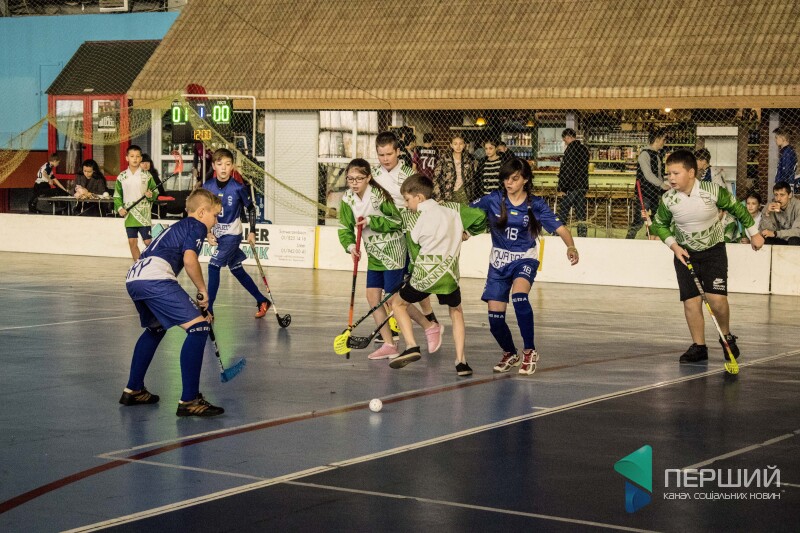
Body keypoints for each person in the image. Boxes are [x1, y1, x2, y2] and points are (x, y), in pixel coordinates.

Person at [650, 150, 764, 364]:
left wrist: (754, 233)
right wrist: (674, 246)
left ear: (691, 172)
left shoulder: (712, 191)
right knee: (691, 302)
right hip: (685, 253)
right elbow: (660, 225)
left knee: (717, 300)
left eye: (675, 173)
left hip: (713, 251)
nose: (671, 178)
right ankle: (699, 346)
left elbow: (737, 209)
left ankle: (726, 336)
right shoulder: (668, 199)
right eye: (668, 174)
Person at [120, 188, 225, 417]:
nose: (215, 222)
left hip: (135, 277)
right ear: (201, 212)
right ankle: (189, 400)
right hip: (155, 278)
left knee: (155, 328)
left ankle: (134, 389)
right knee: (199, 328)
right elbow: (189, 259)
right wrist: (203, 291)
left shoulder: (179, 226)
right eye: (215, 215)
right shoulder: (196, 226)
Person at [471, 158, 578, 375]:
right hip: (498, 262)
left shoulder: (535, 205)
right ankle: (510, 353)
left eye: (514, 178)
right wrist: (464, 230)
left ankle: (530, 350)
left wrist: (571, 246)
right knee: (495, 320)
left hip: (524, 258)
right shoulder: (493, 199)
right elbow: (467, 213)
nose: (509, 183)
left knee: (519, 297)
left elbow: (560, 228)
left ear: (525, 180)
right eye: (506, 179)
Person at [390, 174, 487, 375]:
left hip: (424, 276)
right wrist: (467, 233)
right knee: (456, 311)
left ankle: (411, 345)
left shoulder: (414, 219)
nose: (407, 205)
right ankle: (461, 362)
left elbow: (415, 251)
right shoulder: (453, 209)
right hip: (449, 277)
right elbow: (480, 216)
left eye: (407, 200)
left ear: (419, 198)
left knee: (397, 303)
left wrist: (411, 273)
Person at [338, 159, 407, 359]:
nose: (354, 183)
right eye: (350, 178)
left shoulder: (378, 196)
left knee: (393, 300)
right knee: (372, 298)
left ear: (368, 177)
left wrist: (371, 221)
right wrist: (351, 247)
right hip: (374, 253)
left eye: (359, 178)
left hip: (392, 251)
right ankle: (389, 344)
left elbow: (397, 221)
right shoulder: (347, 198)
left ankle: (425, 328)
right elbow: (344, 227)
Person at [373, 131, 441, 333]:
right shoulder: (373, 176)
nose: (385, 159)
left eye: (389, 154)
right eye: (381, 155)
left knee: (412, 278)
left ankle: (429, 315)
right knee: (388, 283)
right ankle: (393, 324)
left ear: (398, 152)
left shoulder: (408, 175)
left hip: (407, 232)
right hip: (383, 234)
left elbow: (421, 204)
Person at [203, 148, 271, 318]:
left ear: (232, 166)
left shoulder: (238, 187)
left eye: (227, 164)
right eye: (220, 164)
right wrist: (207, 232)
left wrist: (252, 231)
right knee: (236, 269)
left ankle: (209, 309)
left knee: (213, 266)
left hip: (232, 235)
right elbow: (203, 212)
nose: (224, 168)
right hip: (218, 234)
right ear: (214, 166)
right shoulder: (207, 187)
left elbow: (251, 209)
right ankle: (262, 300)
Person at [114, 145, 157, 261]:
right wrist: (120, 208)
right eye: (132, 156)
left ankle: (154, 263)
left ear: (141, 158)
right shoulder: (121, 177)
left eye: (138, 156)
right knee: (132, 241)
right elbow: (117, 195)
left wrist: (150, 195)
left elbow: (155, 191)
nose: (135, 159)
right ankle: (138, 266)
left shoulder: (147, 175)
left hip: (143, 213)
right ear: (127, 158)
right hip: (129, 214)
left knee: (148, 241)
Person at [626, 130, 669, 239]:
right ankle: (628, 240)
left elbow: (658, 175)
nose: (665, 142)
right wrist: (662, 185)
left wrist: (663, 184)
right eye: (663, 139)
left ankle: (651, 239)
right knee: (639, 220)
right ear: (657, 139)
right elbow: (648, 174)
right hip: (644, 193)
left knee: (655, 219)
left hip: (654, 193)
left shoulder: (657, 155)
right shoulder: (644, 154)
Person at [557, 128, 590, 238]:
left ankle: (559, 234)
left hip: (571, 186)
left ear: (568, 137)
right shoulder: (584, 149)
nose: (564, 141)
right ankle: (582, 235)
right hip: (582, 185)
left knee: (563, 211)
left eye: (564, 139)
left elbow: (568, 170)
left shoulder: (570, 150)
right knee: (581, 214)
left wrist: (562, 187)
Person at [432, 133, 479, 203]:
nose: (458, 146)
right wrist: (439, 197)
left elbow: (472, 180)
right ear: (451, 145)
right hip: (446, 194)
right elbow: (435, 178)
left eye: (461, 143)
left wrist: (471, 197)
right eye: (455, 144)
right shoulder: (444, 158)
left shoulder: (468, 160)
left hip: (463, 193)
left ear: (464, 145)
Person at [773, 127, 798, 194]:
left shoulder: (787, 152)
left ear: (783, 138)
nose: (775, 140)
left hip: (784, 186)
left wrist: (780, 186)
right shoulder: (786, 151)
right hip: (784, 185)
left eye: (776, 137)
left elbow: (786, 172)